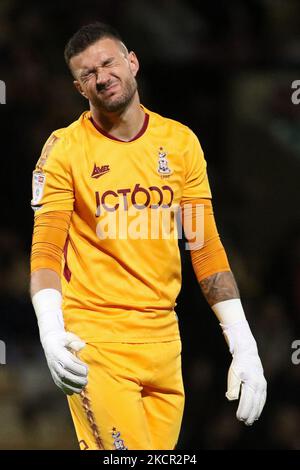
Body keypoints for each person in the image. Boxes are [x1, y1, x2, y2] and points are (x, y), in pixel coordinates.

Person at [30, 22, 267, 450]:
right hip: (97, 341)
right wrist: (50, 328)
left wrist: (244, 345)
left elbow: (206, 248)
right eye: (87, 74)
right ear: (78, 88)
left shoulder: (180, 143)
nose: (101, 76)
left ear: (132, 61)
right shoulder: (64, 149)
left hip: (164, 344)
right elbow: (46, 250)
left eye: (107, 62)